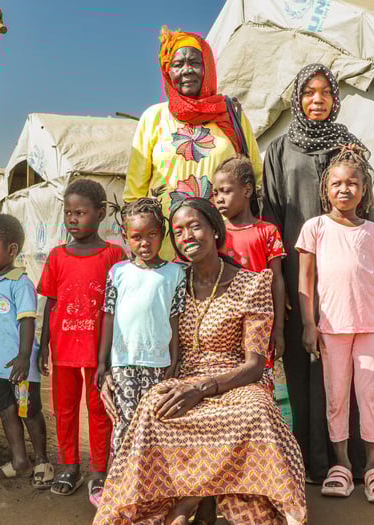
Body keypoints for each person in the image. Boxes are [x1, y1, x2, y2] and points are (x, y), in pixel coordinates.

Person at [94, 176, 306, 525]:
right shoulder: (173, 279)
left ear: (215, 230)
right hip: (181, 373)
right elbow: (126, 319)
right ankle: (171, 502)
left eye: (195, 227)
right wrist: (109, 371)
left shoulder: (252, 283)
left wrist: (202, 388)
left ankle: (189, 502)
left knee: (256, 414)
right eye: (178, 231)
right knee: (153, 410)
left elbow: (254, 365)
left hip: (234, 380)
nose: (187, 237)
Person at [262, 63, 374, 483]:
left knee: (362, 376)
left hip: (351, 281)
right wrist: (277, 280)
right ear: (297, 99)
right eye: (308, 92)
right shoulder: (281, 150)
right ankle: (313, 460)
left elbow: (367, 210)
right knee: (309, 366)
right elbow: (271, 215)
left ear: (336, 99)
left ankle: (361, 464)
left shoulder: (349, 147)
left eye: (325, 93)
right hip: (299, 274)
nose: (316, 100)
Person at [296, 145, 374, 501]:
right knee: (337, 397)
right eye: (337, 183)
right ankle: (339, 465)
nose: (345, 189)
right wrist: (309, 325)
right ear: (326, 189)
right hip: (332, 328)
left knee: (370, 396)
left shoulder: (373, 231)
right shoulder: (316, 228)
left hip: (370, 326)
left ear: (364, 189)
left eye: (353, 183)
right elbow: (305, 282)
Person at [124, 26, 263, 261]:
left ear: (207, 67)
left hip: (224, 245)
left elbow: (255, 176)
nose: (186, 70)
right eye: (178, 65)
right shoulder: (154, 117)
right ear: (168, 72)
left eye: (194, 63)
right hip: (165, 249)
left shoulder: (231, 116)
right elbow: (134, 192)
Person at [37, 179, 126, 500]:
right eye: (68, 212)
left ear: (100, 213)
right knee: (65, 409)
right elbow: (50, 302)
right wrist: (42, 347)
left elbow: (120, 308)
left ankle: (99, 469)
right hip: (63, 350)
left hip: (100, 351)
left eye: (81, 212)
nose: (72, 219)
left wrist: (115, 354)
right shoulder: (57, 255)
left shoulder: (115, 255)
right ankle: (69, 465)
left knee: (99, 409)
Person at [95, 196, 186, 477]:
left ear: (163, 234)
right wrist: (103, 363)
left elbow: (175, 319)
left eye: (151, 235)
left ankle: (153, 489)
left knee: (156, 426)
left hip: (159, 364)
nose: (144, 243)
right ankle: (119, 488)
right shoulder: (118, 272)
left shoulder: (175, 273)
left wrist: (174, 360)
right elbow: (108, 317)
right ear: (125, 237)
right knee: (125, 425)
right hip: (124, 363)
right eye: (136, 237)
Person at [0, 214, 53, 489]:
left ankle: (42, 460)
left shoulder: (20, 282)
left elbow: (27, 321)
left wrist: (23, 357)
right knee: (7, 413)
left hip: (19, 366)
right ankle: (20, 461)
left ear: (12, 250)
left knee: (28, 411)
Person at [214, 154, 287, 372]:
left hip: (259, 321)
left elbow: (277, 281)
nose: (219, 198)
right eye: (215, 193)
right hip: (224, 320)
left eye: (225, 191)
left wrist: (279, 328)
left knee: (258, 376)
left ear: (247, 191)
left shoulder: (267, 232)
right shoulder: (215, 234)